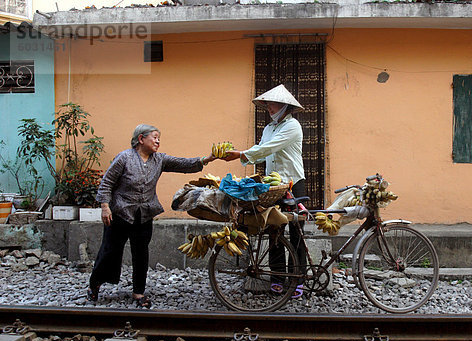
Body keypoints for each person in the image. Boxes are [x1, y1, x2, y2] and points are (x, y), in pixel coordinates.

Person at [87, 124, 217, 308]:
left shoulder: (159, 160)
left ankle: (138, 292)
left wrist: (207, 159)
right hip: (120, 212)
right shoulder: (124, 158)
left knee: (141, 254)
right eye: (154, 137)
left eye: (159, 138)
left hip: (144, 214)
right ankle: (95, 284)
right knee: (109, 251)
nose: (158, 141)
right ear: (141, 139)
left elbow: (183, 163)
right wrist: (105, 206)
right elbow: (107, 182)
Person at [223, 84, 307, 297]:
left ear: (283, 106)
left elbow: (270, 148)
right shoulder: (268, 129)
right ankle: (278, 277)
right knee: (274, 231)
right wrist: (244, 158)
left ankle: (298, 279)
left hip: (293, 183)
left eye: (272, 104)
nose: (269, 108)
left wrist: (242, 153)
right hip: (272, 186)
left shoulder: (293, 126)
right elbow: (261, 154)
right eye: (268, 104)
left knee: (296, 233)